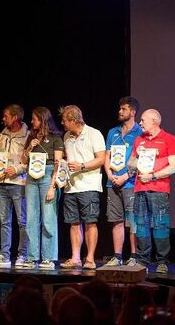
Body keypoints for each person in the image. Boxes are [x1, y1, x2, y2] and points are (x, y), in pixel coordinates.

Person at [128, 109, 175, 273]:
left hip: (159, 189)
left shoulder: (169, 139)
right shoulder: (138, 140)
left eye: (143, 120)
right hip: (140, 188)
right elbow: (130, 163)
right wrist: (137, 160)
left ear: (154, 121)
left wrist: (153, 176)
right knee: (141, 225)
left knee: (160, 225)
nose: (140, 123)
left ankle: (162, 261)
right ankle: (143, 260)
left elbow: (174, 166)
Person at [59, 105, 106, 270]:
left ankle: (90, 258)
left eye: (65, 120)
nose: (63, 123)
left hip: (89, 185)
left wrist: (82, 166)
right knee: (73, 223)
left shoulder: (94, 134)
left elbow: (101, 159)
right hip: (71, 187)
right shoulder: (66, 136)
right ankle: (75, 257)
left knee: (90, 222)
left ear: (73, 120)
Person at [21, 107, 64, 269]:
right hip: (32, 176)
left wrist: (53, 186)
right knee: (31, 218)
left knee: (48, 218)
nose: (32, 122)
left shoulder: (56, 138)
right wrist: (29, 147)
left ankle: (48, 257)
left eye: (34, 119)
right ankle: (32, 257)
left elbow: (58, 165)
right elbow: (23, 161)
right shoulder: (31, 136)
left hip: (48, 176)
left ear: (43, 119)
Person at [0, 104, 29, 268]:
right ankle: (4, 255)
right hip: (2, 182)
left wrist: (17, 169)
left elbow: (32, 161)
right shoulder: (2, 134)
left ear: (15, 117)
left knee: (22, 221)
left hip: (18, 182)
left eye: (6, 116)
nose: (3, 119)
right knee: (4, 222)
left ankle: (23, 255)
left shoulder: (27, 135)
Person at [103, 96, 141, 267]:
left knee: (132, 220)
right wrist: (110, 176)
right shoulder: (113, 132)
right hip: (113, 182)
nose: (120, 111)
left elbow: (142, 160)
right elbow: (106, 156)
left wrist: (126, 176)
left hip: (131, 183)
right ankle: (117, 256)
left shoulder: (140, 133)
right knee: (116, 220)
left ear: (132, 112)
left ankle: (134, 255)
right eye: (120, 109)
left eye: (124, 109)